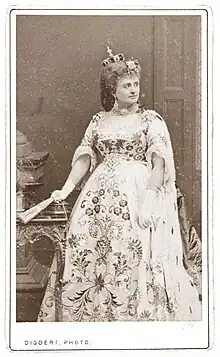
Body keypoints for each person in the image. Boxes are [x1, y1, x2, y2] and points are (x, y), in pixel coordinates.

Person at [38, 47, 201, 322]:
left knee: (133, 248)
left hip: (138, 193)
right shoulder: (99, 121)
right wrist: (66, 189)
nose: (133, 89)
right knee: (83, 243)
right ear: (112, 90)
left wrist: (149, 201)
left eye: (136, 84)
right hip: (97, 197)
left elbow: (159, 164)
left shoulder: (150, 120)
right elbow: (85, 156)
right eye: (126, 85)